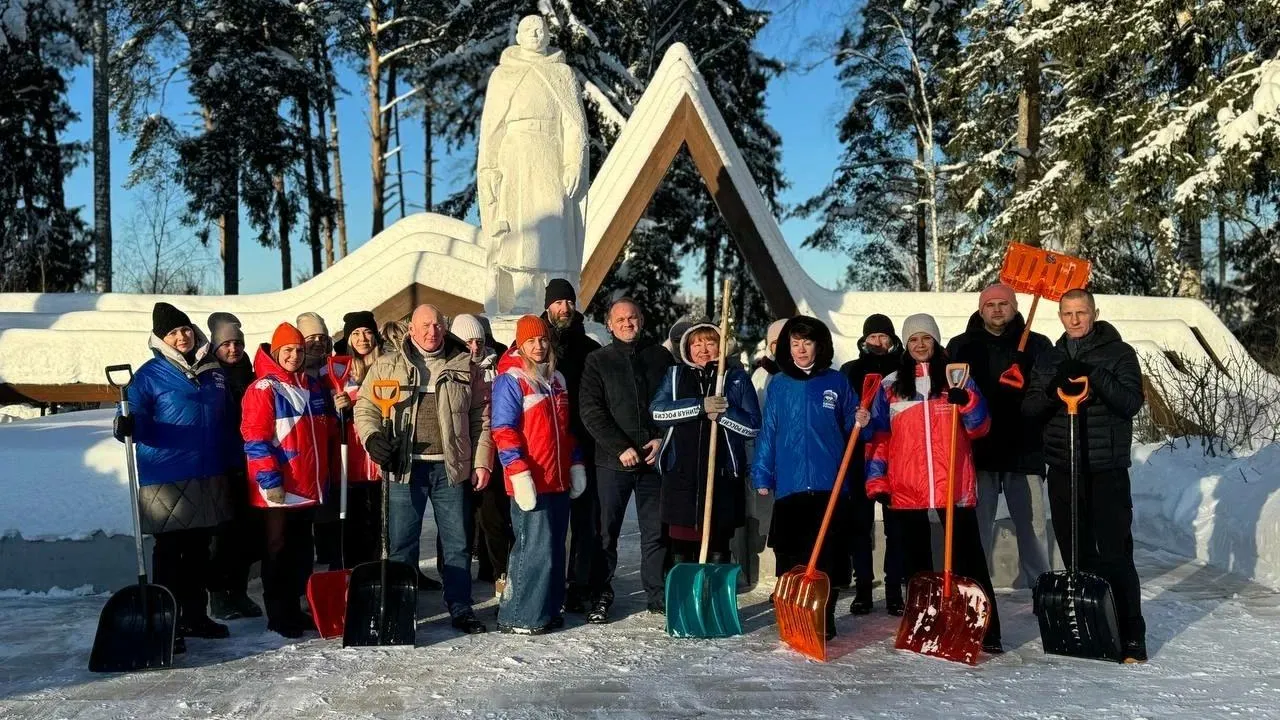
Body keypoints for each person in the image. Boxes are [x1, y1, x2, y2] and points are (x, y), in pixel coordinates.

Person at [864, 313, 1003, 654]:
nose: (920, 344)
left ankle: (986, 630)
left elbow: (980, 427)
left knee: (969, 560)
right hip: (908, 486)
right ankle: (924, 626)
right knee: (917, 565)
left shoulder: (957, 378)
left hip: (952, 484)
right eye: (913, 339)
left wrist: (967, 403)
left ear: (936, 341)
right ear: (905, 344)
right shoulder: (891, 386)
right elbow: (880, 438)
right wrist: (877, 479)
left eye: (926, 338)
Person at [1023, 288, 1147, 663]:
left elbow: (1130, 402)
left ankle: (1131, 635)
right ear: (1060, 316)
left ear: (1094, 313)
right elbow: (1030, 409)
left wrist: (1094, 376)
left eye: (1082, 312)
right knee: (1075, 552)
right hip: (1063, 469)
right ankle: (1096, 626)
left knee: (1115, 553)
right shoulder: (1050, 357)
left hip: (1105, 469)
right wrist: (1053, 386)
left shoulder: (1119, 352)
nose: (1075, 320)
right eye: (1067, 314)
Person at [354, 304, 494, 634]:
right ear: (412, 330)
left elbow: (481, 418)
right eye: (426, 325)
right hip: (405, 468)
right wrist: (372, 438)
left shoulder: (464, 365)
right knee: (402, 542)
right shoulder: (388, 364)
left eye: (438, 325)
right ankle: (401, 611)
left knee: (458, 541)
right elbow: (366, 407)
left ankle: (460, 606)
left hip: (450, 467)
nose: (433, 331)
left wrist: (481, 461)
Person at [112, 302, 233, 651]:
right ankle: (168, 622)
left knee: (198, 552)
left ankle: (196, 616)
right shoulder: (149, 375)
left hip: (206, 473)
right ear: (161, 339)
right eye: (173, 332)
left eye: (185, 329)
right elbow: (131, 418)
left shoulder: (212, 371)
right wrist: (128, 425)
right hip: (166, 476)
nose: (182, 336)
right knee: (170, 554)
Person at [752, 316, 859, 641]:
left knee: (829, 556)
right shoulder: (780, 384)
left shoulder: (836, 382)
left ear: (819, 346)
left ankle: (824, 618)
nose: (801, 349)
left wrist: (863, 419)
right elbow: (769, 431)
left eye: (807, 342)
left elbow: (857, 420)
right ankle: (793, 614)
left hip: (831, 483)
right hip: (791, 484)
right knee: (791, 556)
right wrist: (762, 471)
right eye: (795, 343)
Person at [946, 284, 1052, 588]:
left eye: (1002, 304)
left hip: (1025, 448)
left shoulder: (1037, 345)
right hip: (979, 451)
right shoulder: (961, 346)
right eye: (989, 304)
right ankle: (977, 588)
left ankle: (1040, 587)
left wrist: (1028, 393)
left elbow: (1046, 392)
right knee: (979, 526)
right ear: (981, 310)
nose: (996, 309)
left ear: (1014, 308)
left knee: (1032, 527)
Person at [241, 322, 339, 639]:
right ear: (276, 351)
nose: (294, 355)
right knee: (278, 551)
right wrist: (270, 480)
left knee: (300, 552)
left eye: (298, 350)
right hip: (279, 488)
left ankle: (295, 607)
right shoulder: (263, 389)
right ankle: (279, 614)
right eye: (288, 350)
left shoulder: (308, 386)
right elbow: (255, 439)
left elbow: (318, 434)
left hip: (305, 486)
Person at [578, 297, 673, 621]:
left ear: (641, 319)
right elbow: (591, 410)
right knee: (605, 532)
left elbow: (673, 403)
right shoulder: (598, 361)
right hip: (612, 463)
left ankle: (658, 595)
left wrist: (661, 437)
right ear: (609, 325)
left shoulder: (660, 357)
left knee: (655, 531)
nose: (627, 323)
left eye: (632, 317)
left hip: (652, 461)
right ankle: (600, 594)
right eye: (620, 320)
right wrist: (620, 446)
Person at [491, 316, 587, 634]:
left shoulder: (556, 379)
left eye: (543, 340)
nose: (538, 346)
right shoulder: (512, 379)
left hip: (556, 478)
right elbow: (503, 430)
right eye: (531, 341)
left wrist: (575, 463)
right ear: (520, 343)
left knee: (554, 547)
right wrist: (518, 473)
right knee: (532, 547)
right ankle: (518, 614)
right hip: (531, 479)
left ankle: (546, 607)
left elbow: (565, 430)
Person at [651, 322, 760, 563]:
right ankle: (685, 597)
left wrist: (723, 415)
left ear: (721, 347)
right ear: (687, 349)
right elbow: (658, 412)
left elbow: (752, 426)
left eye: (710, 343)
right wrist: (699, 407)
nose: (703, 349)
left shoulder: (736, 378)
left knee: (718, 546)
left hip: (722, 477)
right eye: (696, 343)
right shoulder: (675, 374)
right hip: (682, 477)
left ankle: (712, 595)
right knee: (680, 548)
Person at [540, 279, 603, 613]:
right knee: (544, 520)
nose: (564, 308)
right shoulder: (533, 344)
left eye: (569, 302)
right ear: (548, 305)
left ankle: (579, 584)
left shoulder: (589, 349)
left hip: (582, 444)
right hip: (544, 448)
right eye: (558, 302)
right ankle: (545, 583)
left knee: (584, 519)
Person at [839, 313, 906, 616]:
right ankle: (863, 587)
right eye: (873, 336)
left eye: (884, 336)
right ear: (864, 340)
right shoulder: (850, 371)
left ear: (892, 340)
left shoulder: (904, 370)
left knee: (896, 526)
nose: (878, 342)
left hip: (896, 454)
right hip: (858, 455)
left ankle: (894, 590)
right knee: (858, 525)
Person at [205, 312, 264, 620]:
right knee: (222, 534)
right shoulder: (207, 375)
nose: (233, 349)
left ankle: (238, 593)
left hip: (249, 463)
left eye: (238, 343)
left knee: (247, 532)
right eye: (226, 343)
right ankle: (218, 595)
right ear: (215, 347)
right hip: (220, 464)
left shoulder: (250, 374)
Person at [451, 312, 513, 596]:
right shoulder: (450, 366)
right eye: (468, 342)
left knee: (494, 515)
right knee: (457, 518)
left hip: (493, 450)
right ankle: (453, 576)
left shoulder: (498, 366)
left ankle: (498, 572)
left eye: (479, 341)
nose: (475, 347)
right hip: (459, 450)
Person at [332, 310, 384, 567]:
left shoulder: (387, 365)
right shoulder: (340, 370)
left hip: (378, 455)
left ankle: (379, 568)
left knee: (380, 518)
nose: (362, 338)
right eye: (356, 333)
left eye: (367, 332)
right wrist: (338, 406)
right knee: (354, 517)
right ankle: (352, 568)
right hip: (350, 454)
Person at [297, 312, 341, 568]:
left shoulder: (334, 369)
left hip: (332, 455)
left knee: (331, 520)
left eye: (321, 337)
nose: (317, 343)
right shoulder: (295, 372)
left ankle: (332, 568)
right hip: (305, 459)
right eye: (310, 337)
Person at [750, 318, 788, 408]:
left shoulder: (802, 374)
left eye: (787, 342)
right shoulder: (759, 375)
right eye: (777, 342)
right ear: (770, 345)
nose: (782, 346)